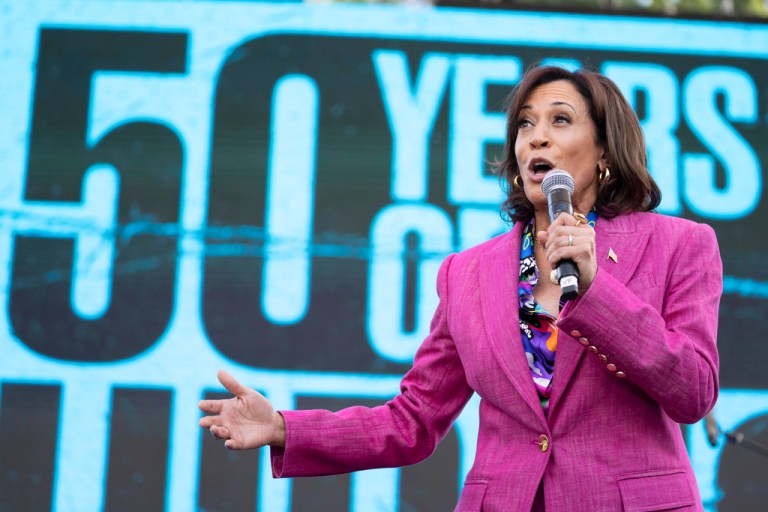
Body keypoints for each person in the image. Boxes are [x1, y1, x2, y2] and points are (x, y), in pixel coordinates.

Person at [199, 65, 722, 511]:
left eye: (560, 120)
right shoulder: (468, 274)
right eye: (525, 124)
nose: (536, 137)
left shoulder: (678, 245)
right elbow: (413, 420)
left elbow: (694, 391)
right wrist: (284, 428)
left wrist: (595, 289)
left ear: (605, 149)